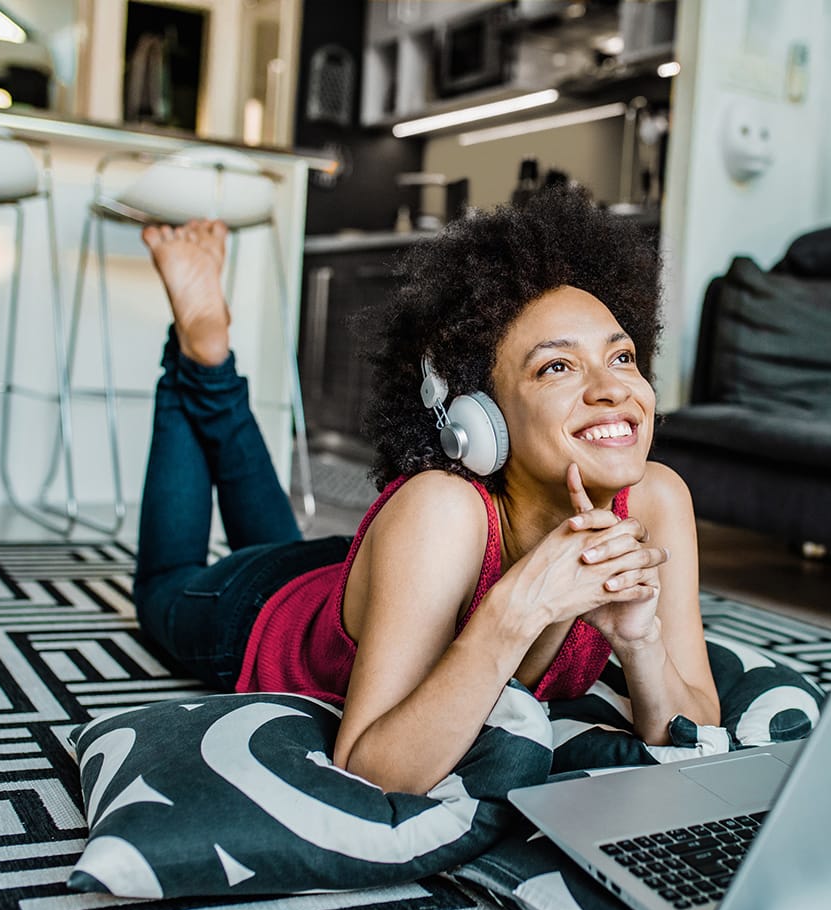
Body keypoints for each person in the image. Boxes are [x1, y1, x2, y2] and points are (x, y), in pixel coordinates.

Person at [133, 189, 719, 795]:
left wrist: (641, 641)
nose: (612, 389)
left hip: (366, 578)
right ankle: (200, 353)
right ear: (477, 418)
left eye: (621, 357)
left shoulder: (657, 499)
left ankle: (209, 364)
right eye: (557, 367)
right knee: (163, 583)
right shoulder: (441, 507)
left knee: (276, 536)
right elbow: (370, 769)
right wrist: (522, 607)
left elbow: (698, 728)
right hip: (260, 612)